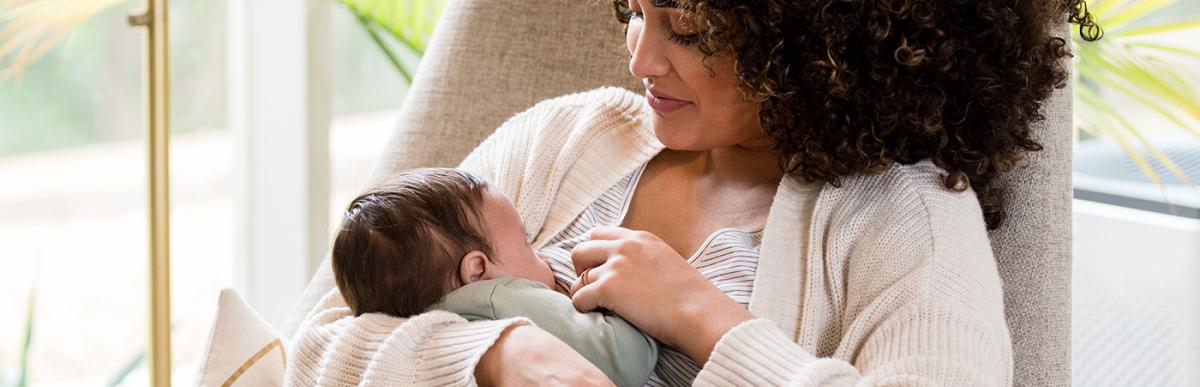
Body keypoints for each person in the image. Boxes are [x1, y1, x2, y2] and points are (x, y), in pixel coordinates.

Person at [292, 0, 1101, 385]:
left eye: (687, 29)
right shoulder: (566, 138)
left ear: (817, 43)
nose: (641, 60)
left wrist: (705, 318)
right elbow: (301, 350)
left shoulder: (903, 217)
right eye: (636, 11)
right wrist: (497, 354)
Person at [328, 168, 658, 387]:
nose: (543, 254)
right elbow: (625, 361)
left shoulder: (415, 325)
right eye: (526, 242)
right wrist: (635, 291)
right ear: (477, 270)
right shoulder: (501, 295)